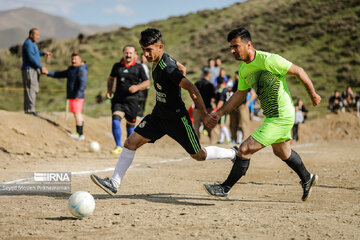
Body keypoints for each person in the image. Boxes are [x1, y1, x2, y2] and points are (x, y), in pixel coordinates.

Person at [90, 28, 237, 196]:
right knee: (131, 142)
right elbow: (181, 66)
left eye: (149, 50)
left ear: (160, 46)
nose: (145, 54)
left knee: (199, 155)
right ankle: (114, 183)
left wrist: (203, 115)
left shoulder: (167, 68)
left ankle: (233, 152)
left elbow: (192, 87)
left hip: (177, 119)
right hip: (158, 116)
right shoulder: (161, 61)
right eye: (143, 50)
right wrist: (181, 70)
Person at [203, 27, 321, 201]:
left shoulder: (269, 60)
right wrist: (219, 113)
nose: (232, 51)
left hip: (282, 116)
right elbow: (239, 95)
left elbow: (299, 71)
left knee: (244, 150)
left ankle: (225, 188)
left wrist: (313, 95)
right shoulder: (243, 69)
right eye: (231, 47)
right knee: (282, 152)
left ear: (248, 44)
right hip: (272, 116)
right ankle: (307, 178)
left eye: (235, 46)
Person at [107, 45, 150, 154]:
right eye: (126, 53)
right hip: (118, 100)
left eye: (130, 53)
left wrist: (137, 87)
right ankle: (118, 146)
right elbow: (111, 78)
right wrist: (109, 90)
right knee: (115, 120)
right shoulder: (117, 66)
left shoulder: (139, 67)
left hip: (132, 101)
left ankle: (128, 148)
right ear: (123, 54)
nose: (128, 55)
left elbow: (147, 82)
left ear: (135, 54)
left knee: (130, 125)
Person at [47, 53, 88, 140]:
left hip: (77, 97)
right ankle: (80, 133)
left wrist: (78, 94)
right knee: (76, 114)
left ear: (80, 60)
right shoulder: (71, 69)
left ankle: (79, 134)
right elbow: (60, 74)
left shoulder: (82, 70)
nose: (73, 61)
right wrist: (48, 73)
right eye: (72, 59)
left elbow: (83, 83)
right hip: (73, 96)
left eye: (75, 59)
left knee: (77, 114)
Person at [21, 28, 52, 116]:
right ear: (31, 35)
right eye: (37, 35)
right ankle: (30, 110)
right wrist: (41, 67)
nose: (38, 37)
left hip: (33, 69)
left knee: (32, 88)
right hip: (29, 69)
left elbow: (35, 53)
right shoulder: (28, 44)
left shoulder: (32, 44)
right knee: (31, 88)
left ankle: (30, 109)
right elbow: (31, 58)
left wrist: (43, 53)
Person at [194, 70, 216, 143]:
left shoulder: (197, 84)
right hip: (207, 108)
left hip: (197, 108)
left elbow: (193, 95)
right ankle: (212, 141)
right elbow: (213, 98)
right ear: (208, 75)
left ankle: (196, 143)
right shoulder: (210, 85)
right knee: (209, 125)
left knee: (196, 126)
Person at [215, 78, 231, 144]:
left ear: (219, 84)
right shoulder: (226, 89)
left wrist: (216, 109)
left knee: (221, 125)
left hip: (222, 109)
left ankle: (228, 139)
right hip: (226, 108)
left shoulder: (221, 90)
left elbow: (221, 101)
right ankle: (221, 139)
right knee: (221, 124)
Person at [137, 54, 151, 118]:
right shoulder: (137, 65)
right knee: (138, 100)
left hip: (146, 87)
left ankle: (141, 114)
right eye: (142, 57)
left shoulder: (147, 66)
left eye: (145, 58)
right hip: (140, 86)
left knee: (143, 100)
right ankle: (136, 114)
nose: (143, 59)